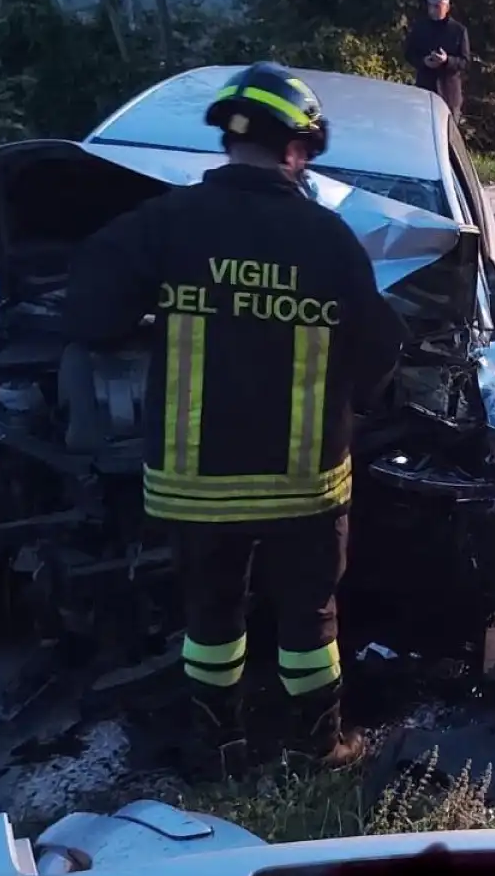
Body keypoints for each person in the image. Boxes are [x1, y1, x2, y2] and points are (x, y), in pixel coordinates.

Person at [63, 62, 409, 765]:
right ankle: (322, 744)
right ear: (295, 150)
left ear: (229, 143)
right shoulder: (326, 239)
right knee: (310, 618)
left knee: (211, 618)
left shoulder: (164, 225)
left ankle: (217, 738)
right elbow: (380, 348)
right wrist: (360, 406)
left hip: (195, 486)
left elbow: (91, 311)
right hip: (303, 484)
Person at [404, 0, 470, 116]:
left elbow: (465, 62)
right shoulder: (420, 27)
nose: (433, 10)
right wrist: (423, 61)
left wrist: (447, 60)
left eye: (437, 6)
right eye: (431, 6)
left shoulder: (458, 31)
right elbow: (409, 53)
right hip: (424, 91)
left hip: (449, 95)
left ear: (446, 7)